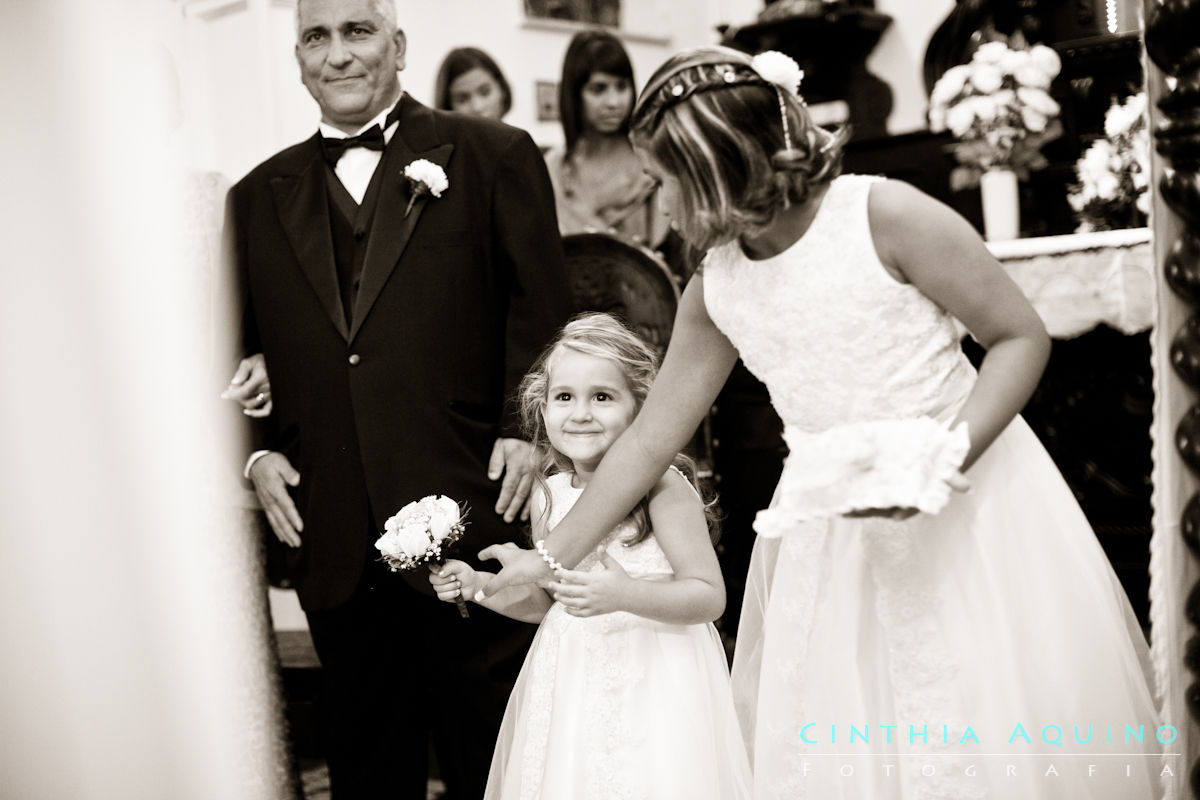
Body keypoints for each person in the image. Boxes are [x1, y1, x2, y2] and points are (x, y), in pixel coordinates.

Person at [481, 47, 1163, 798]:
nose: (657, 199)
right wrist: (547, 561)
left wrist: (944, 457)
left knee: (987, 719)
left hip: (971, 504)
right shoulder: (717, 286)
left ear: (716, 167)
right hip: (832, 539)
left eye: (665, 179)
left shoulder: (887, 215)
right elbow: (648, 440)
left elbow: (1019, 336)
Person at [223, 0, 571, 797]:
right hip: (333, 529)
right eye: (317, 36)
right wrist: (257, 453)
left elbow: (548, 318)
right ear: (298, 58)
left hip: (472, 516)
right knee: (366, 768)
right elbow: (227, 357)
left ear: (399, 45)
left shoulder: (494, 157)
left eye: (358, 31)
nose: (338, 54)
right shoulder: (254, 199)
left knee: (495, 759)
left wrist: (526, 430)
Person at [429, 313, 752, 799]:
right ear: (542, 408)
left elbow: (709, 598)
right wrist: (479, 586)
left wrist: (626, 594)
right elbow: (549, 604)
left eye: (602, 397)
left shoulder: (662, 487)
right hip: (574, 678)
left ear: (642, 408)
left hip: (656, 674)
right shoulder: (549, 494)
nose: (580, 413)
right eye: (564, 397)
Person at [544, 30, 671, 250]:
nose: (613, 102)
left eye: (622, 87)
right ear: (574, 94)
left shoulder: (654, 161)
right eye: (598, 89)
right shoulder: (555, 168)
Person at [433, 46, 512, 120]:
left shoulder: (521, 134)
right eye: (462, 100)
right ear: (448, 108)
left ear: (502, 89)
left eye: (485, 92)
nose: (478, 107)